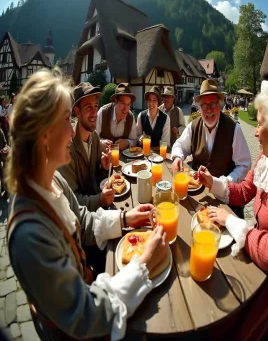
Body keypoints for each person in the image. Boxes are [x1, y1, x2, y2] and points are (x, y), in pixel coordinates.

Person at [6, 69, 167, 341]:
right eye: (65, 121)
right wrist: (142, 264)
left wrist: (127, 219)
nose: (71, 130)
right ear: (44, 135)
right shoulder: (29, 236)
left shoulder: (51, 182)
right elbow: (86, 315)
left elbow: (82, 217)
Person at [198, 77, 268, 340]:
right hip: (254, 250)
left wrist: (232, 222)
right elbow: (243, 192)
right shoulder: (265, 157)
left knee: (232, 328)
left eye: (259, 124)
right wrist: (211, 182)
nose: (255, 131)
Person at [171, 79, 251, 218]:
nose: (208, 109)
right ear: (199, 108)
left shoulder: (234, 129)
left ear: (220, 105)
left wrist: (222, 183)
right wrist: (177, 157)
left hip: (226, 202)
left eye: (212, 104)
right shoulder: (193, 126)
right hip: (199, 197)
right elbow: (180, 145)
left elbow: (244, 165)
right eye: (204, 105)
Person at [58, 82, 114, 212]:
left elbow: (95, 179)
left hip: (99, 206)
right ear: (77, 112)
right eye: (88, 107)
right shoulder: (66, 148)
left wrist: (103, 168)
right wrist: (100, 200)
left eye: (95, 106)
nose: (95, 113)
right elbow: (71, 200)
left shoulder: (94, 137)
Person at [96, 83, 137, 151]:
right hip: (104, 156)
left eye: (128, 104)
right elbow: (92, 137)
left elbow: (135, 140)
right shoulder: (103, 113)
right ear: (115, 101)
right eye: (123, 103)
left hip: (124, 159)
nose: (125, 108)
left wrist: (127, 142)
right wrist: (100, 142)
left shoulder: (130, 117)